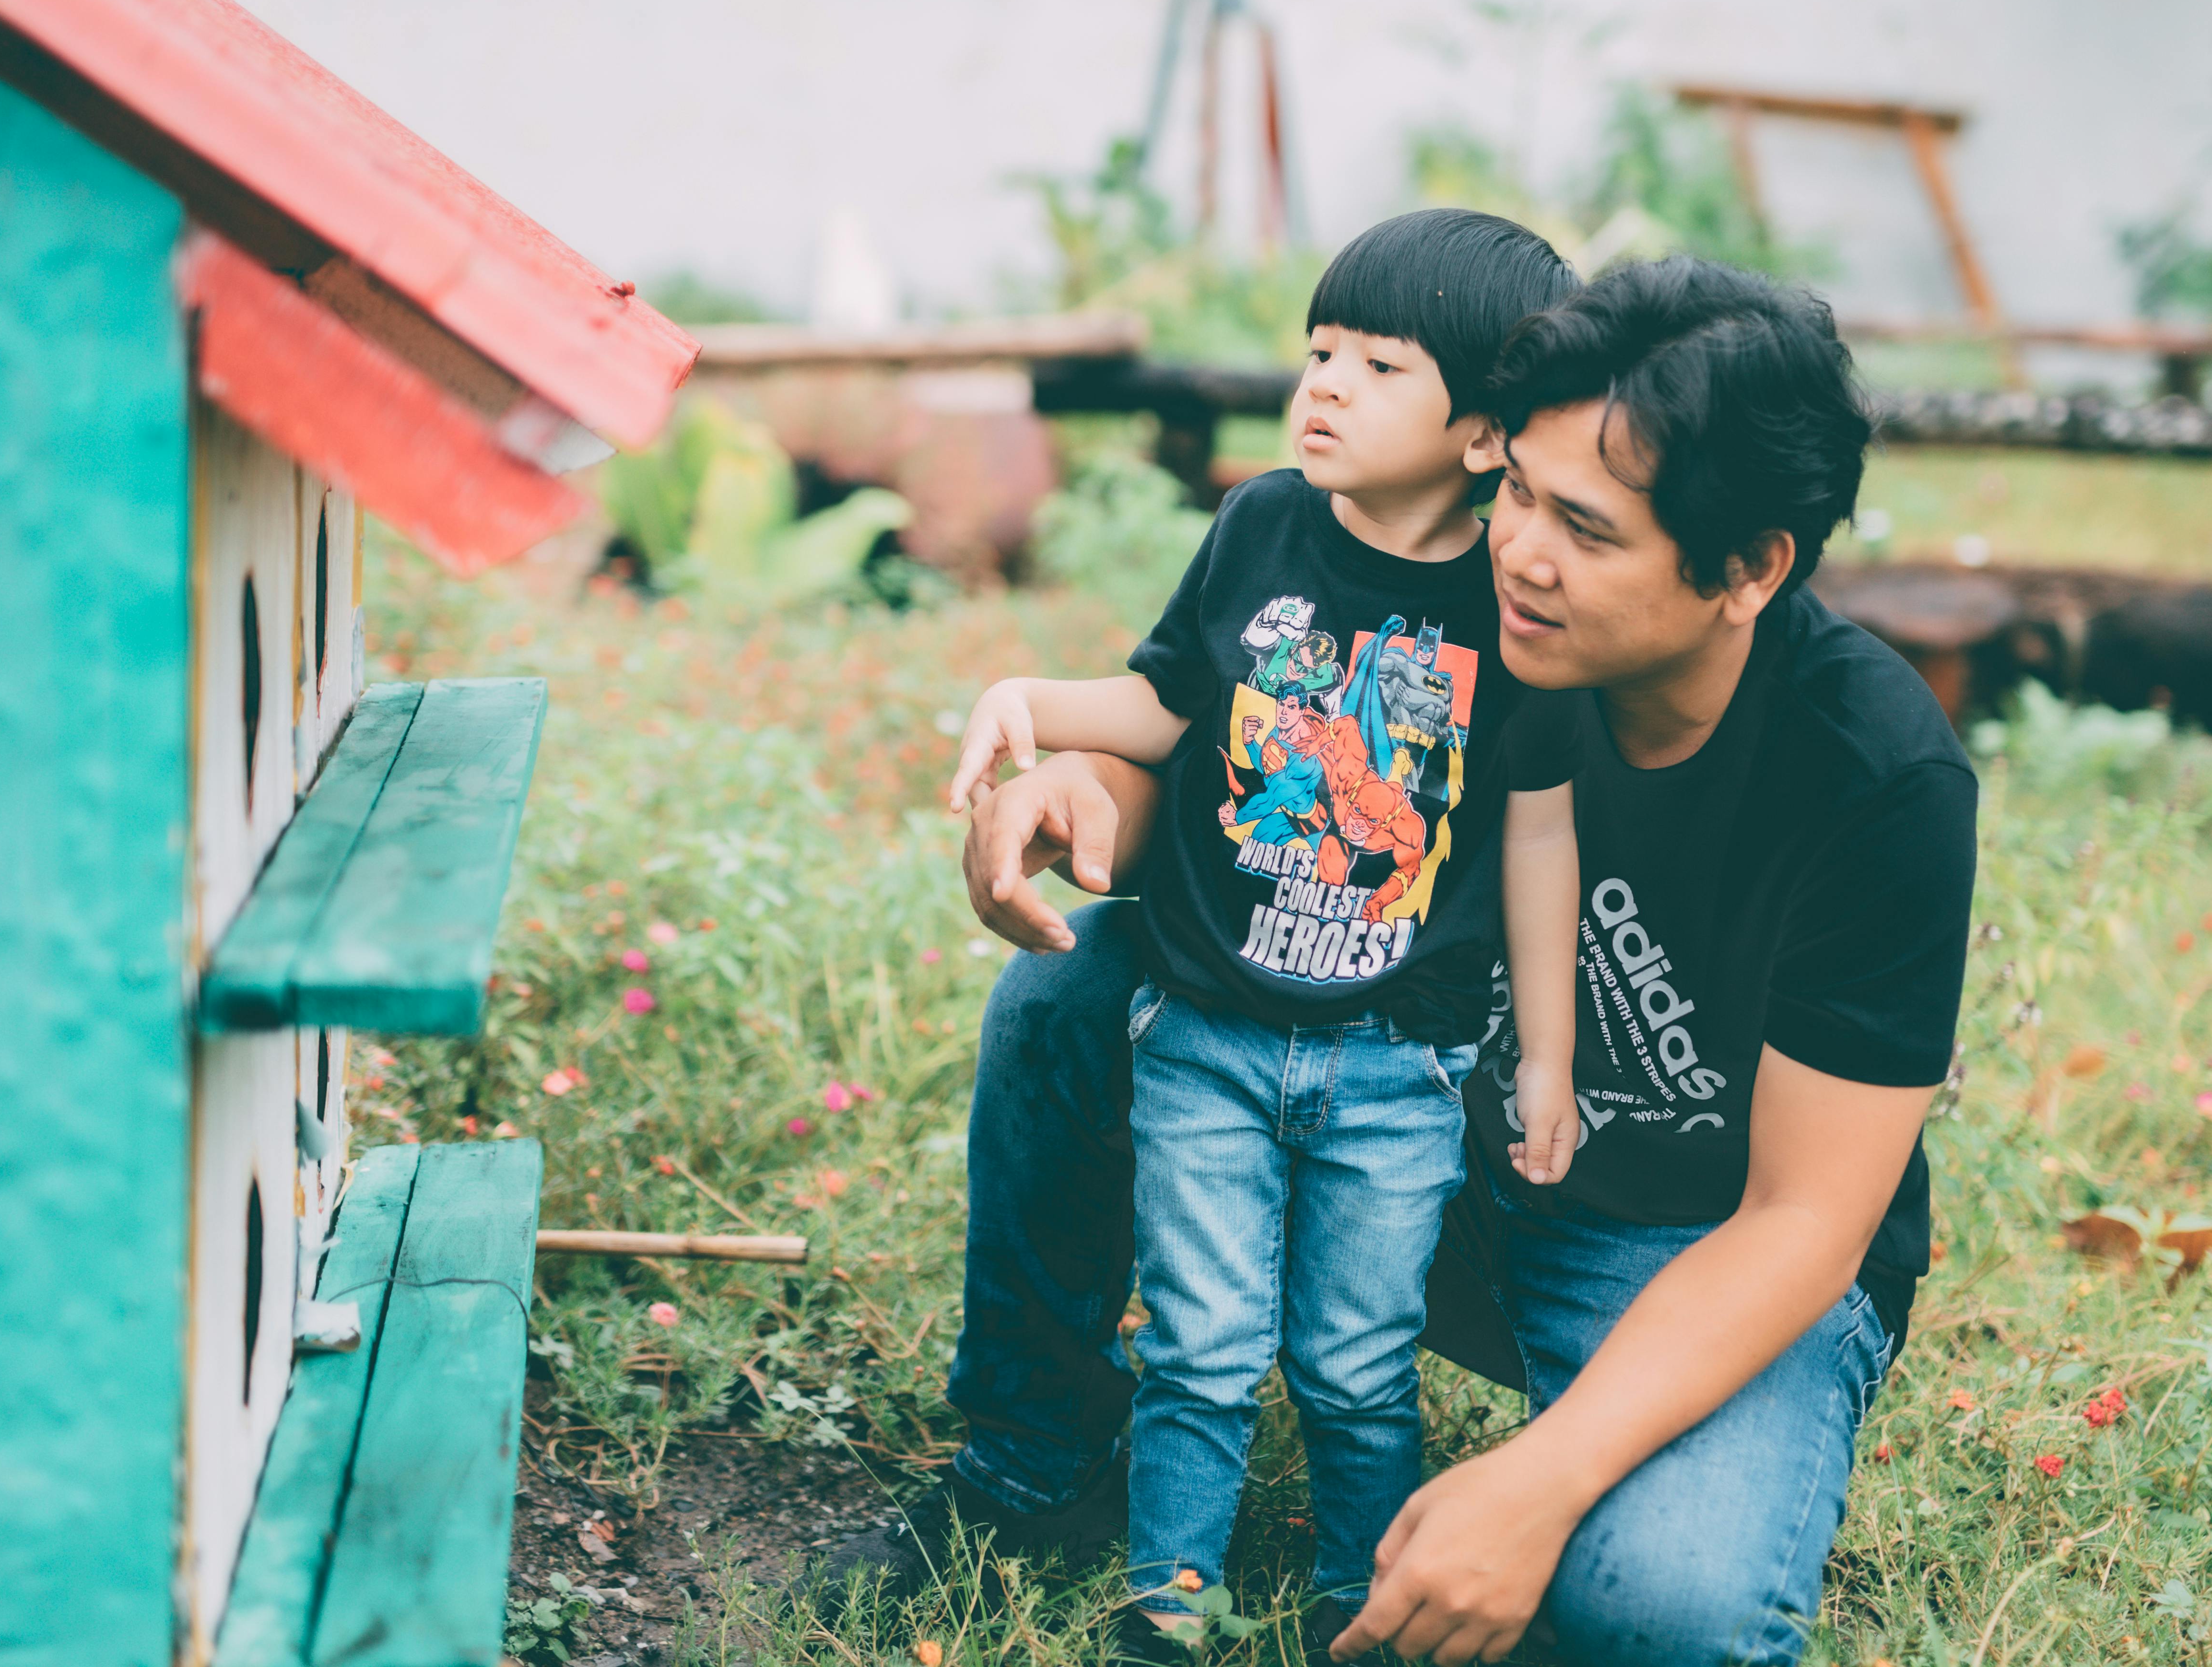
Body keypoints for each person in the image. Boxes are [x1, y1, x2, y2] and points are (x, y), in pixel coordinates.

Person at [835, 256, 1976, 1665]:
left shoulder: (1870, 773)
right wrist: (1089, 791)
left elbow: (1809, 1220)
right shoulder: (1451, 611)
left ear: (1747, 570)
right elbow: (1250, 765)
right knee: (1081, 987)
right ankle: (1039, 1459)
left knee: (1666, 1615)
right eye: (1519, 495)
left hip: (1683, 1238)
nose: (1523, 554)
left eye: (1589, 531)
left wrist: (1536, 1484)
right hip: (1406, 1128)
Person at [931, 209, 1582, 1648]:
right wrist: (1027, 705)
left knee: (1357, 1361)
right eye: (1319, 350)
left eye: (1379, 365)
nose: (1327, 384)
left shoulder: (1508, 599)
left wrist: (1545, 1049)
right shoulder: (1262, 524)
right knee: (1203, 1342)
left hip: (1396, 1056)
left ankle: (1363, 1598)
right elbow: (1167, 706)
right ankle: (1166, 1589)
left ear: (1484, 434)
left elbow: (1539, 826)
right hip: (1210, 1028)